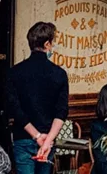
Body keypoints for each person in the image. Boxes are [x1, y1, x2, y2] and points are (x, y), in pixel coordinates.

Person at [7, 23, 69, 174]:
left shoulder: (14, 72)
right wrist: (47, 141)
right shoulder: (59, 74)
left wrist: (36, 136)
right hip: (49, 136)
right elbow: (61, 111)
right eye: (53, 42)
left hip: (23, 135)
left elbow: (15, 109)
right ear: (47, 44)